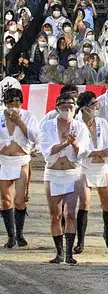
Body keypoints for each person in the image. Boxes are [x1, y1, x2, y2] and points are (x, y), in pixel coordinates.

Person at [40, 91, 92, 264]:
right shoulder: (47, 125)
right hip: (53, 172)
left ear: (75, 108)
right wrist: (64, 143)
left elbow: (83, 151)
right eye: (63, 107)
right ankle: (59, 252)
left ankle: (69, 253)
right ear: (57, 108)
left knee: (70, 212)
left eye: (70, 107)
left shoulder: (80, 127)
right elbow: (46, 149)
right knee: (55, 214)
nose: (67, 110)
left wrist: (74, 143)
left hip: (72, 173)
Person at [75, 89, 108, 252]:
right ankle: (80, 241)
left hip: (102, 166)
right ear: (85, 108)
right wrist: (94, 153)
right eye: (94, 104)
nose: (97, 106)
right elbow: (78, 148)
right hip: (84, 167)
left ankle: (107, 234)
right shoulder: (77, 124)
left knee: (107, 203)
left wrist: (103, 153)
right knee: (84, 202)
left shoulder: (101, 122)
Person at [0, 85, 39, 248]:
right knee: (6, 199)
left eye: (17, 103)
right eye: (10, 103)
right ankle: (11, 235)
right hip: (3, 159)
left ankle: (20, 233)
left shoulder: (28, 116)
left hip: (21, 159)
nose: (14, 107)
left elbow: (34, 136)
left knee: (20, 200)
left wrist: (19, 121)